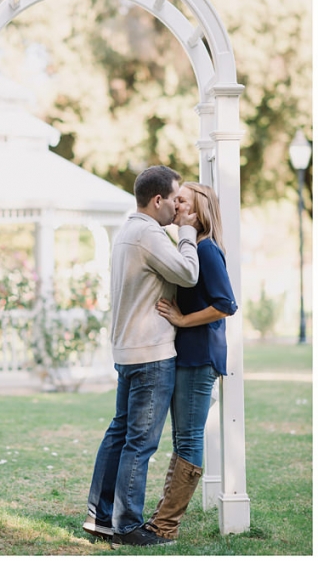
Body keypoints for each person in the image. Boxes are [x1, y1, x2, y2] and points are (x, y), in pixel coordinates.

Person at [83, 165, 200, 548]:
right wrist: (187, 232)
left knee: (119, 433)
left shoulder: (127, 229)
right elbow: (187, 273)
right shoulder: (150, 233)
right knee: (140, 442)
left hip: (127, 350)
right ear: (158, 200)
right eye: (175, 199)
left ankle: (100, 517)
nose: (178, 207)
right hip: (150, 353)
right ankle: (127, 526)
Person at [145, 182, 237, 540]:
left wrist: (182, 320)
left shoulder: (207, 250)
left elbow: (226, 303)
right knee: (183, 439)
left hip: (200, 359)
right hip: (188, 357)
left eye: (181, 200)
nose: (174, 204)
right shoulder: (189, 248)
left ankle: (165, 526)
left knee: (187, 440)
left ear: (198, 212)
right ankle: (162, 520)